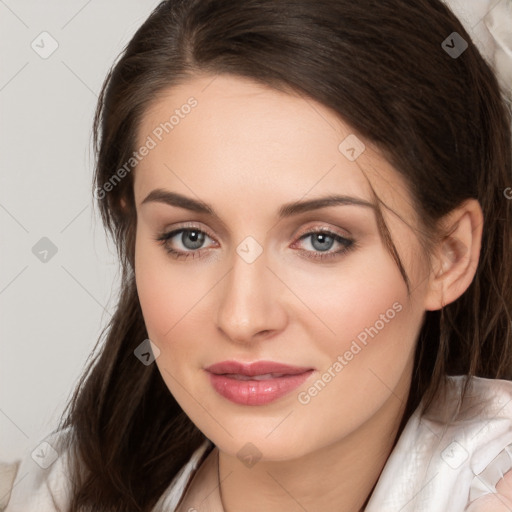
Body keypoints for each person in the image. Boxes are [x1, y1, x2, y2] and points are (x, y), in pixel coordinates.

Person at [3, 0, 512, 510]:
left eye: (321, 239)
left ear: (449, 255)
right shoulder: (55, 489)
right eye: (190, 237)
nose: (242, 317)